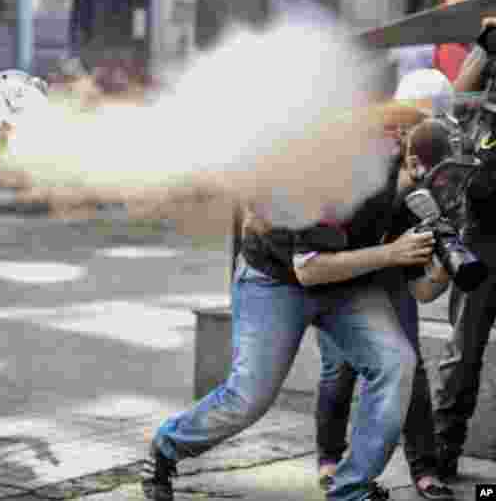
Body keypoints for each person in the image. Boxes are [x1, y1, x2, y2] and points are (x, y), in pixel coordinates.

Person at [144, 122, 448, 500]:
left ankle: (351, 489)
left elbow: (422, 289)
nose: (433, 193)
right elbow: (309, 268)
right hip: (276, 280)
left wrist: (446, 267)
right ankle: (166, 448)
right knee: (249, 397)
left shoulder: (408, 192)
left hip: (346, 283)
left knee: (396, 362)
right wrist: (390, 253)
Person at [314, 70, 458, 500]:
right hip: (344, 271)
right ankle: (329, 460)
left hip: (394, 270)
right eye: (412, 122)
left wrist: (445, 259)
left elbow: (424, 281)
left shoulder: (431, 154)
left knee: (409, 366)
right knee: (339, 371)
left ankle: (425, 468)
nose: (417, 132)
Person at [428, 15, 496, 480]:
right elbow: (456, 98)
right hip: (484, 237)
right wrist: (487, 44)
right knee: (463, 351)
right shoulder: (483, 98)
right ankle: (442, 450)